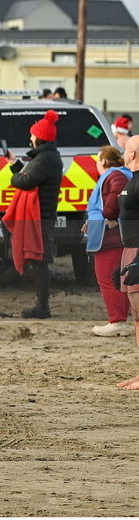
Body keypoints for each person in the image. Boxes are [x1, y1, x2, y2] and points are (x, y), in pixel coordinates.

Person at [6, 110, 64, 319]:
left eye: (32, 135)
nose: (30, 138)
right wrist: (15, 165)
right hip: (42, 215)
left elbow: (26, 181)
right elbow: (30, 175)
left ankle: (43, 307)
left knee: (40, 259)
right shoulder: (47, 157)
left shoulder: (46, 159)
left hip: (40, 216)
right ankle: (42, 305)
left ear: (39, 138)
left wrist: (14, 178)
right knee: (39, 259)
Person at [85, 146, 132, 336]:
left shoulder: (115, 175)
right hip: (116, 235)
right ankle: (121, 320)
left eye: (97, 159)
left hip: (111, 238)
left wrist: (109, 215)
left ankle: (117, 322)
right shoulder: (120, 174)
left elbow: (118, 195)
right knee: (121, 280)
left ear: (103, 161)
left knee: (107, 278)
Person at [115, 135, 139, 389]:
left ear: (132, 154)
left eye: (125, 150)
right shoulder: (132, 181)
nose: (123, 154)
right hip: (129, 249)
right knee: (136, 316)